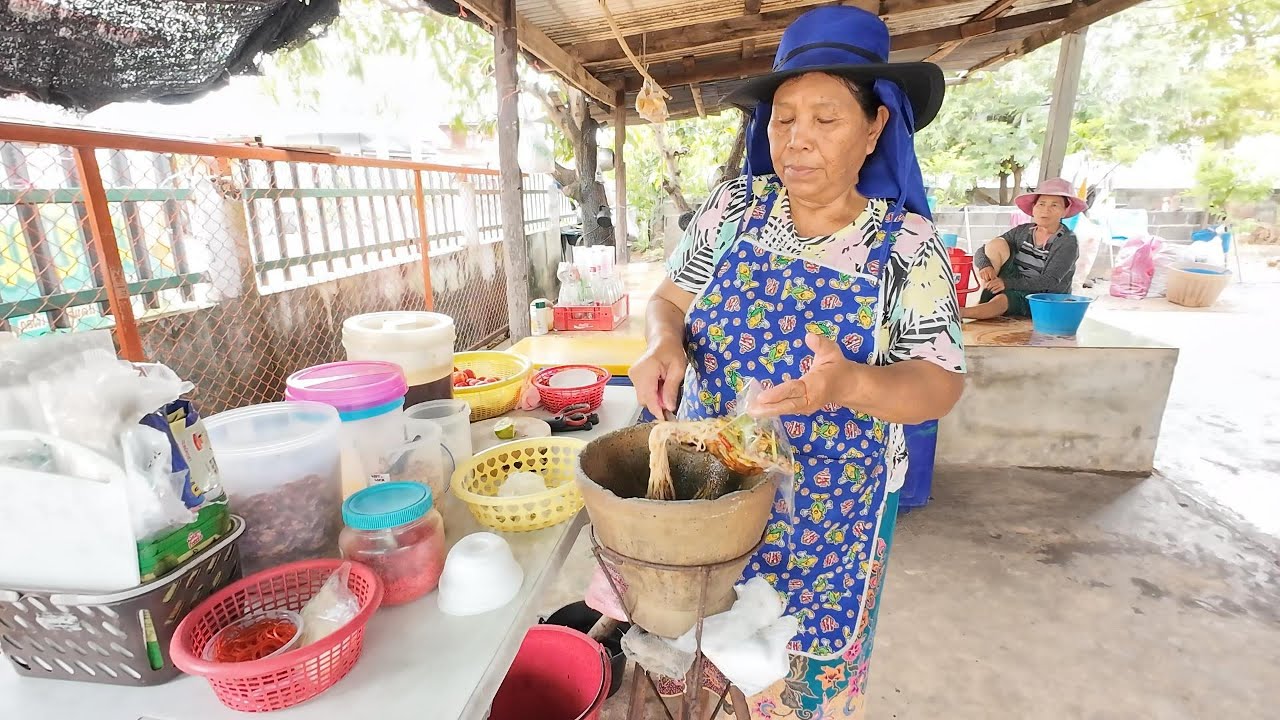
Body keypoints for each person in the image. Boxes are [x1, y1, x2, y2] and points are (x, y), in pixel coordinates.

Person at [628, 6, 964, 717]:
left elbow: (939, 385)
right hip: (709, 489)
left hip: (830, 511)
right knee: (703, 653)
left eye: (825, 118)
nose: (797, 139)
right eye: (783, 119)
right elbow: (669, 300)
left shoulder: (907, 248)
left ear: (875, 127)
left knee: (796, 684)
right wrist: (662, 343)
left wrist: (851, 383)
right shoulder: (733, 209)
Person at [960, 178, 1086, 320]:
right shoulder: (1023, 231)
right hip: (1012, 283)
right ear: (1033, 208)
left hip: (1041, 297)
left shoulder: (1067, 241)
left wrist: (1007, 283)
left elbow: (1050, 281)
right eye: (1041, 204)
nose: (1046, 210)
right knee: (997, 244)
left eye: (1054, 205)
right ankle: (984, 298)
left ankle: (960, 313)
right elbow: (983, 250)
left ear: (1065, 211)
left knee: (1003, 300)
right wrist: (985, 265)